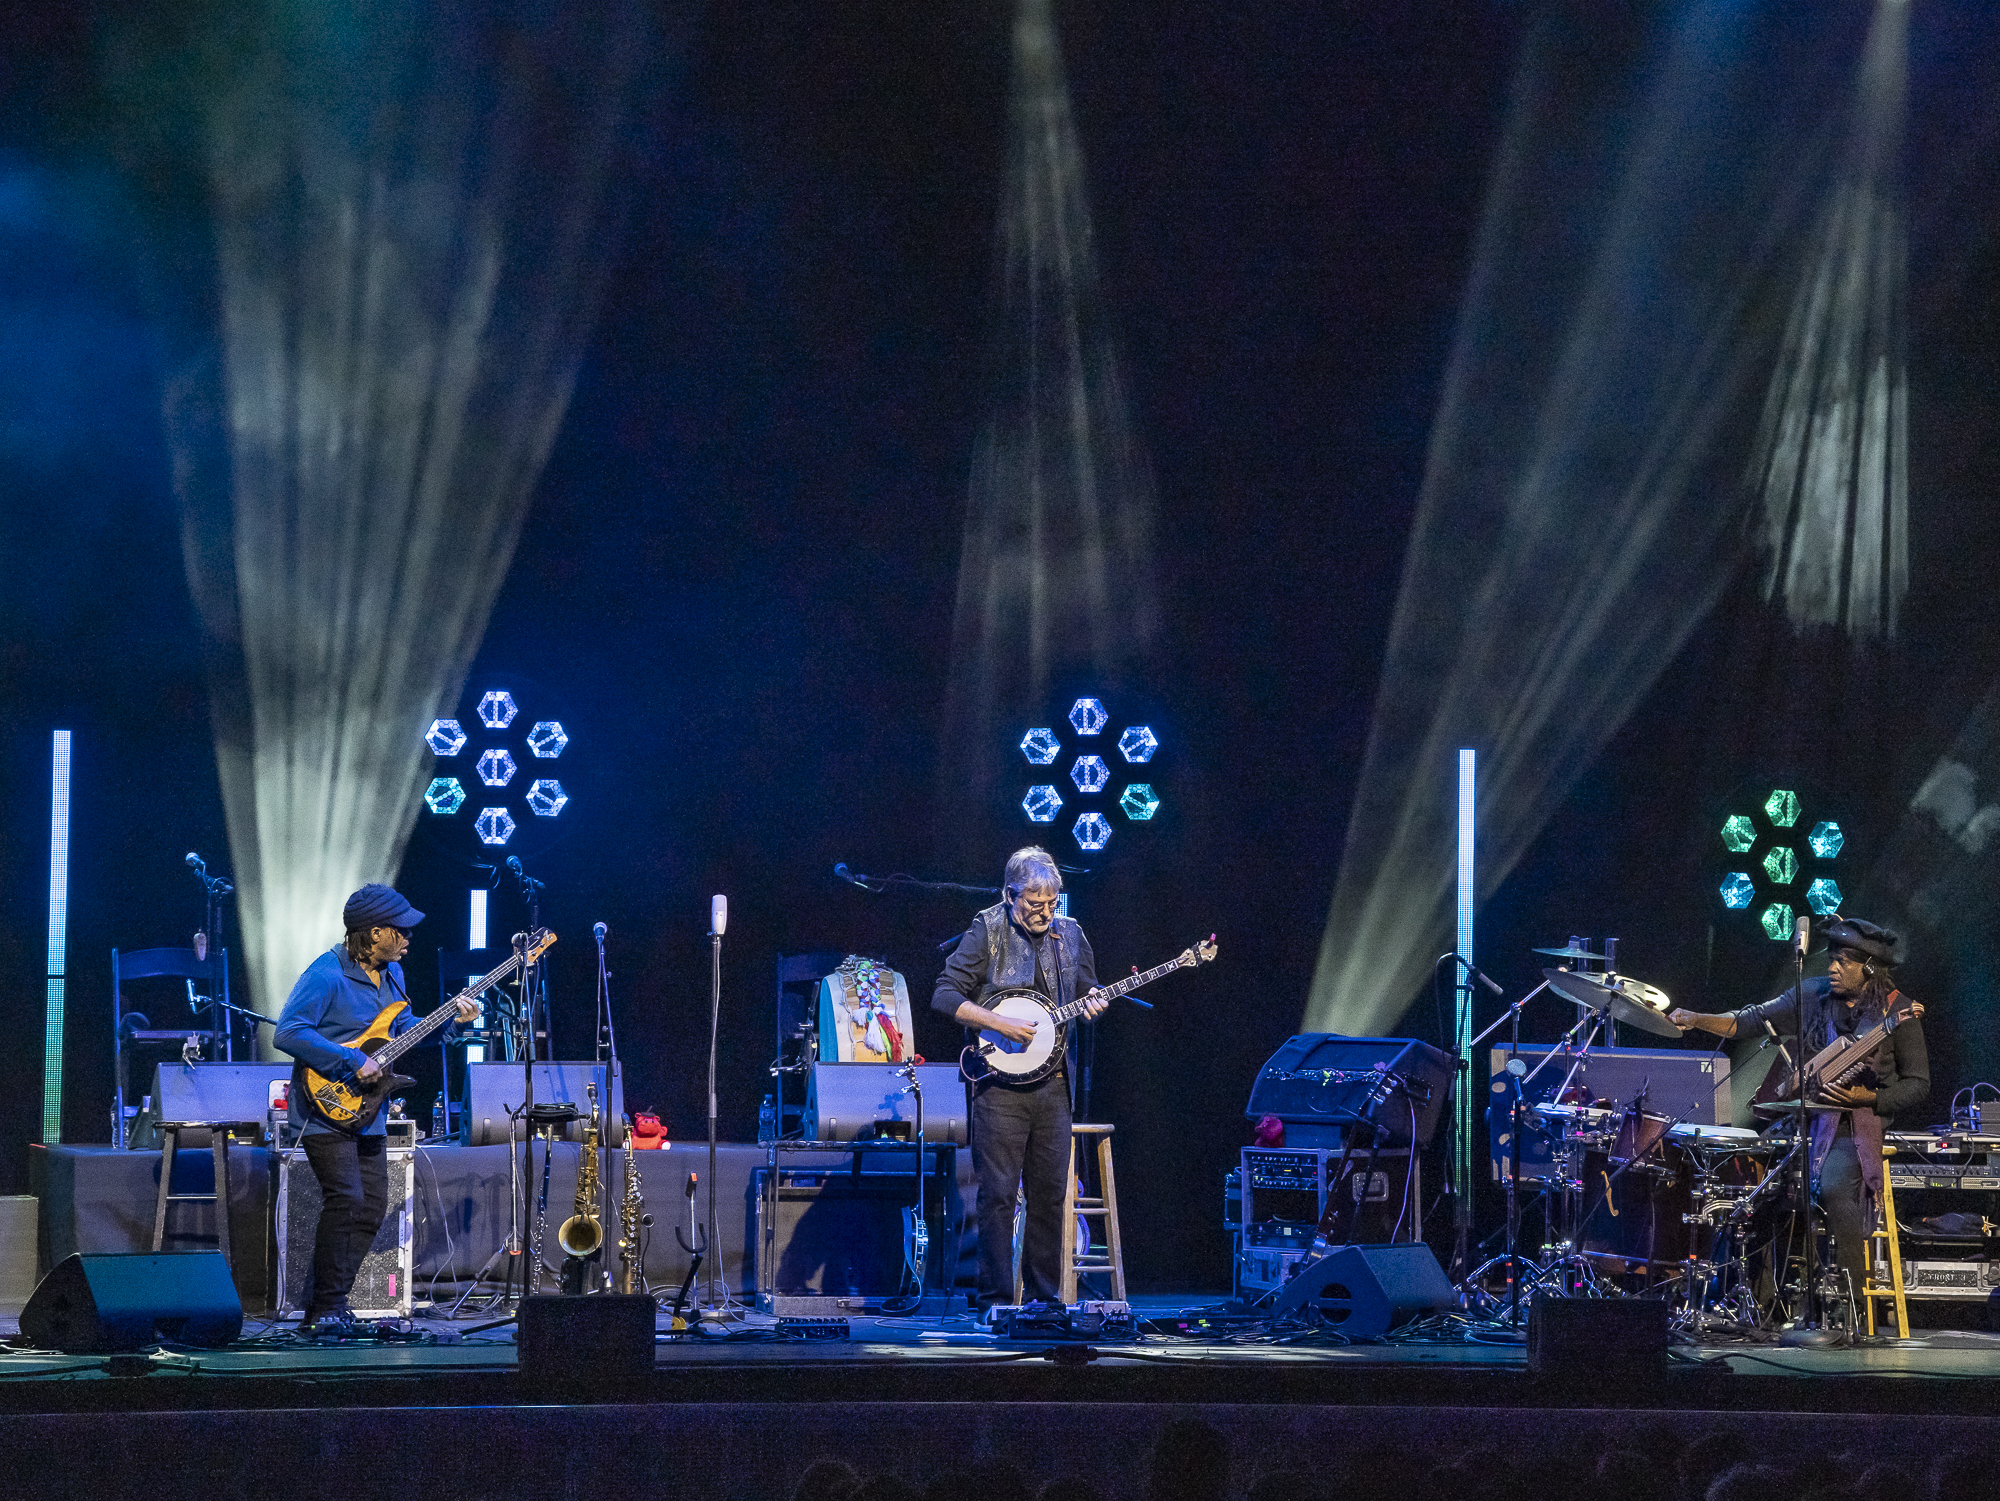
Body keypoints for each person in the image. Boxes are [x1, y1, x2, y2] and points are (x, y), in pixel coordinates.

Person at [1667, 916, 1927, 1302]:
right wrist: (1696, 1019)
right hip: (1802, 1120)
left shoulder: (1898, 1012)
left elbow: (1919, 1084)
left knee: (1834, 1188)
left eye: (1844, 961)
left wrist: (1869, 1099)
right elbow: (1750, 1021)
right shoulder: (1811, 995)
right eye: (1832, 959)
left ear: (1870, 968)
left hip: (1854, 1128)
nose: (1833, 967)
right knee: (1755, 1189)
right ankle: (1760, 1301)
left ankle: (1855, 1306)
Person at [275, 883, 477, 1333]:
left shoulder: (393, 975)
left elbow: (405, 1030)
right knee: (345, 1199)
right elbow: (287, 1033)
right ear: (373, 932)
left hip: (368, 1111)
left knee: (371, 1207)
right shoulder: (325, 975)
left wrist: (452, 1025)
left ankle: (329, 1303)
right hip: (322, 1105)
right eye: (400, 931)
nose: (408, 938)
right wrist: (351, 1058)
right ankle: (323, 1309)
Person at [933, 847, 1107, 1313]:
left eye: (1052, 904)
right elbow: (945, 994)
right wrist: (997, 1023)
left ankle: (1044, 1300)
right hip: (999, 1087)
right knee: (998, 1198)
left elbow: (1086, 989)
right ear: (1009, 895)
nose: (1045, 913)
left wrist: (1093, 1003)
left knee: (1051, 1196)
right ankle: (995, 1300)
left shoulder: (1069, 934)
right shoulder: (987, 928)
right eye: (1034, 904)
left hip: (1053, 1085)